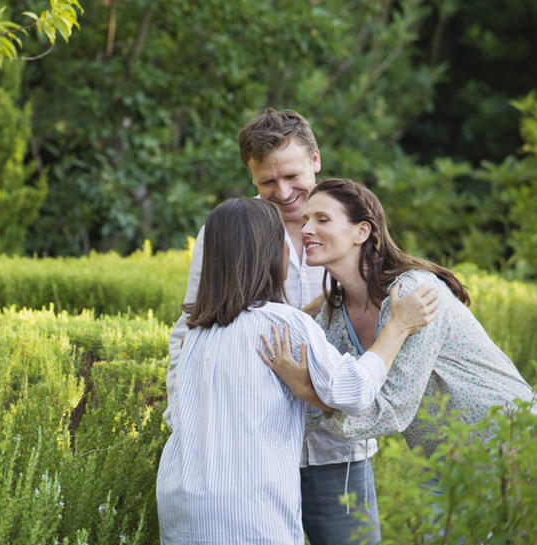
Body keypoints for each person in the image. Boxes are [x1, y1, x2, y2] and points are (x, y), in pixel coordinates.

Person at [156, 197, 437, 545]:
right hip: (250, 514)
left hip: (181, 505)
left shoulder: (197, 332)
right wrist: (398, 326)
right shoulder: (281, 322)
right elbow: (352, 390)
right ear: (273, 255)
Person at [168, 109, 384, 544]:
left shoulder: (352, 221)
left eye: (291, 176)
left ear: (316, 160)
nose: (283, 193)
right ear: (252, 179)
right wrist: (184, 421)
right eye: (267, 182)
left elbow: (376, 314)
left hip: (333, 449)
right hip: (248, 454)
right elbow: (192, 326)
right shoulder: (225, 234)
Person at [263, 178, 534, 462]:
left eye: (322, 219)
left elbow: (392, 408)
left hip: (515, 445)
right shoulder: (333, 316)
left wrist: (305, 389)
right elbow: (314, 409)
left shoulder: (412, 295)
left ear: (361, 231)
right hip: (450, 465)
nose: (306, 229)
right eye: (305, 220)